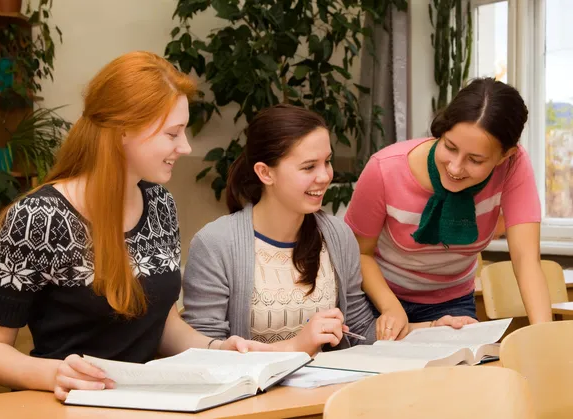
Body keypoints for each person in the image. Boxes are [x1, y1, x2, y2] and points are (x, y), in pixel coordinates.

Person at [0, 51, 267, 401]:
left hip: (142, 402)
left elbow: (159, 323)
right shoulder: (39, 217)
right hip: (64, 406)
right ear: (124, 129)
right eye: (173, 133)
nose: (185, 147)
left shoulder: (160, 204)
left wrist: (216, 350)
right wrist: (56, 373)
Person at [181, 104, 474, 356]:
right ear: (265, 173)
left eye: (327, 162)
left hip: (323, 397)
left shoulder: (336, 236)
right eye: (308, 167)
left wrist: (432, 329)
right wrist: (298, 344)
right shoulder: (215, 244)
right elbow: (205, 352)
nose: (325, 177)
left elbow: (359, 331)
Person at [345, 77, 552, 341]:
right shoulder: (385, 169)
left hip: (451, 301)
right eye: (449, 147)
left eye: (475, 160)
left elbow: (526, 261)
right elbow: (358, 254)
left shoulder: (513, 167)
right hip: (381, 297)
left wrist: (545, 339)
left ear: (505, 156)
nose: (455, 167)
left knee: (461, 377)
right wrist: (390, 306)